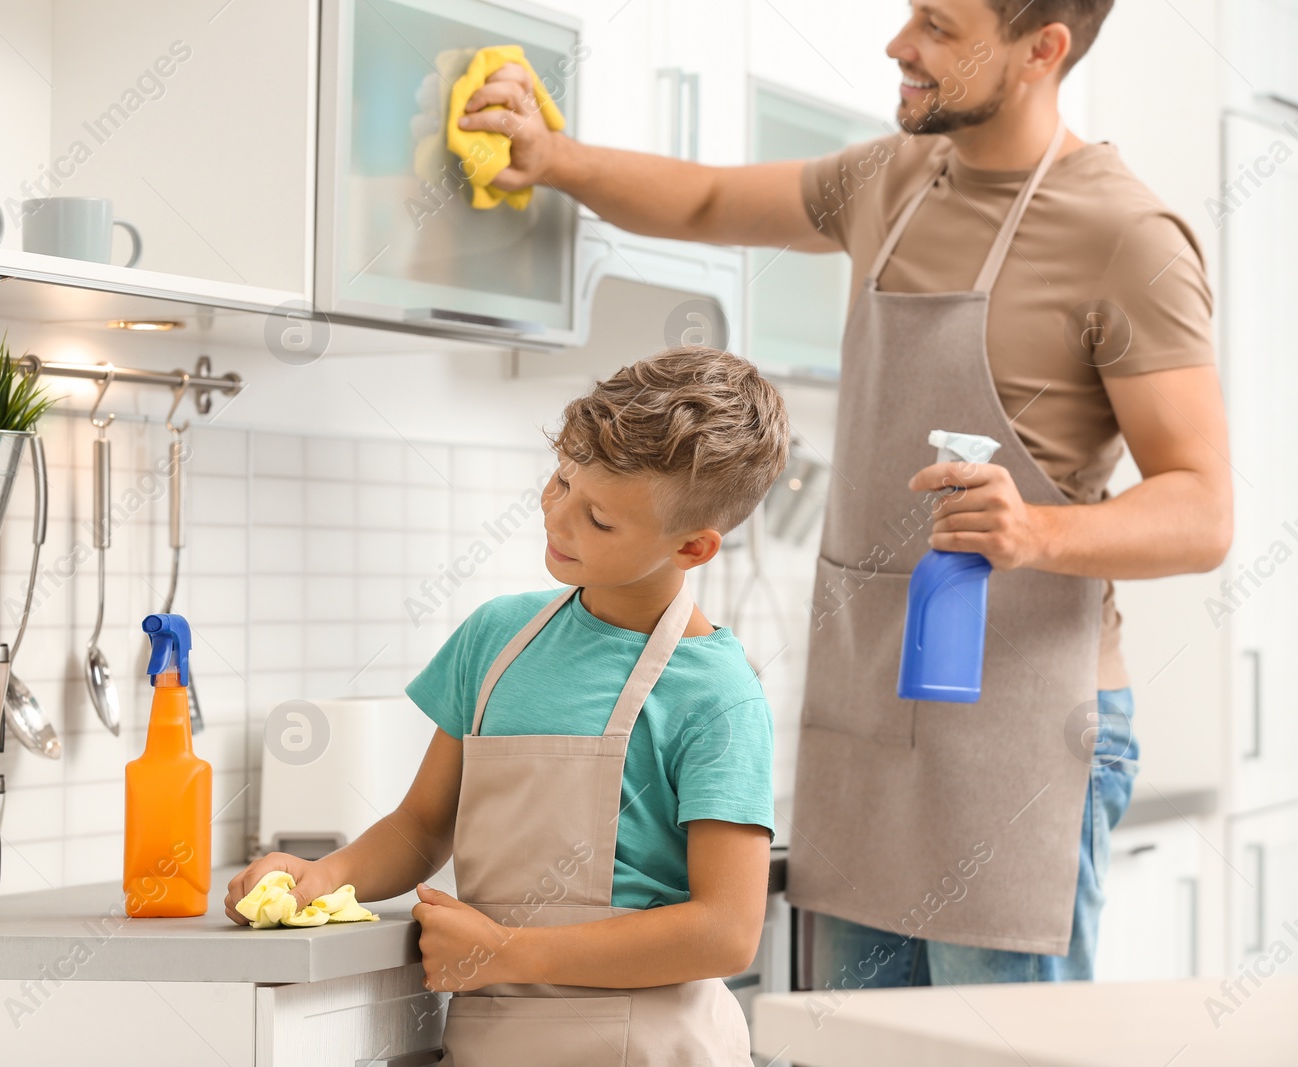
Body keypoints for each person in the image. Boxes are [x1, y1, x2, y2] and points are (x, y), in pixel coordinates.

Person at [450, 0, 1231, 986]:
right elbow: (702, 203)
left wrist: (1032, 530)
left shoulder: (1127, 236)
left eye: (940, 28)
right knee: (850, 1041)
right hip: (864, 720)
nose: (899, 45)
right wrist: (551, 159)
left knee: (991, 1062)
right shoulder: (888, 179)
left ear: (1042, 50)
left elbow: (1202, 508)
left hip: (1024, 735)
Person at [226, 346, 789, 1065]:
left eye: (600, 519)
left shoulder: (717, 695)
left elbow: (725, 930)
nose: (559, 517)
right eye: (560, 481)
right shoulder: (497, 639)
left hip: (648, 1044)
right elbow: (421, 826)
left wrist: (510, 951)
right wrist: (326, 875)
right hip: (495, 1036)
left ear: (693, 546)